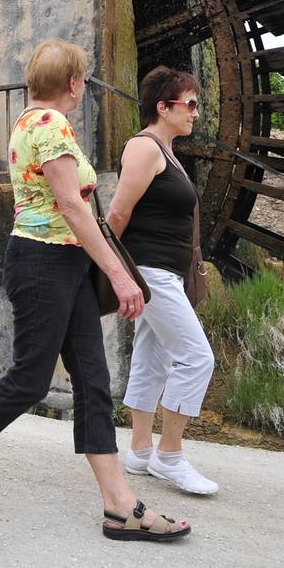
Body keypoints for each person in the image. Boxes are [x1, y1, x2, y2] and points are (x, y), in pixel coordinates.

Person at [0, 39, 191, 542]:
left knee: (93, 380)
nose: (85, 88)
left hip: (63, 262)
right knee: (30, 378)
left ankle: (120, 505)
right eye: (84, 79)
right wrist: (118, 273)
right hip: (43, 262)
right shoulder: (49, 125)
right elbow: (72, 207)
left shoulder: (32, 123)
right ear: (73, 83)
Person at [107, 66, 218, 495]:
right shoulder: (144, 148)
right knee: (196, 357)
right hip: (150, 271)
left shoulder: (168, 152)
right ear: (163, 107)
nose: (196, 113)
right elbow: (117, 213)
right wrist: (111, 270)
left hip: (164, 271)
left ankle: (139, 451)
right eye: (189, 104)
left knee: (151, 358)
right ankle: (170, 456)